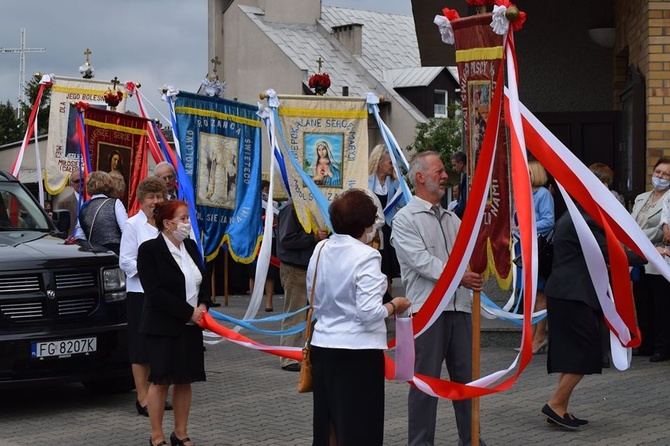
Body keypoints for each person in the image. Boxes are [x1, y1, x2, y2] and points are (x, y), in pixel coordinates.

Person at [391, 151, 485, 446]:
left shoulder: (452, 218)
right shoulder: (405, 218)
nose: (445, 176)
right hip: (427, 311)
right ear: (420, 177)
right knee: (425, 383)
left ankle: (471, 440)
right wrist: (460, 276)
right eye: (439, 171)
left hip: (459, 307)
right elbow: (421, 262)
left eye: (445, 171)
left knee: (467, 381)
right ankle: (420, 443)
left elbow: (467, 256)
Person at [308, 189, 411, 446]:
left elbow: (313, 296)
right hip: (357, 351)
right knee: (360, 426)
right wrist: (393, 305)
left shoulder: (321, 247)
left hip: (323, 344)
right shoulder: (367, 255)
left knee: (328, 421)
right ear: (366, 225)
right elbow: (369, 313)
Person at [542, 199, 648, 429]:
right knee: (585, 352)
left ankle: (560, 408)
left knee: (572, 354)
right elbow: (613, 254)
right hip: (575, 295)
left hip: (564, 292)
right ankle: (555, 404)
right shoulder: (584, 222)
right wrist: (649, 252)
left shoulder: (571, 215)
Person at [137, 200, 213, 446]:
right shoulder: (150, 250)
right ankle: (156, 435)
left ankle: (180, 433)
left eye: (187, 218)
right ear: (168, 224)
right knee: (161, 380)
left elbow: (203, 280)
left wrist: (202, 306)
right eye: (182, 219)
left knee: (184, 379)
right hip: (163, 326)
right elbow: (155, 292)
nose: (187, 223)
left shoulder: (190, 245)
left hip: (191, 327)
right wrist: (187, 312)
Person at [119, 177, 168, 417]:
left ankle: (156, 394)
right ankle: (142, 397)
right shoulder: (132, 225)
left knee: (158, 344)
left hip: (164, 294)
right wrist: (151, 269)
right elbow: (125, 260)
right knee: (140, 347)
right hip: (140, 294)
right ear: (142, 200)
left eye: (159, 196)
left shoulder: (168, 224)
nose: (156, 201)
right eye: (151, 197)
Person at [276, 201, 328, 371]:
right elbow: (286, 240)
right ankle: (288, 357)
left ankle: (311, 353)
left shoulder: (314, 207)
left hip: (311, 268)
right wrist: (312, 237)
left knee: (313, 315)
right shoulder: (292, 208)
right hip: (295, 269)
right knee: (295, 314)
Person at [630, 156, 670, 362]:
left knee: (661, 305)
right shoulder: (641, 197)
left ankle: (662, 348)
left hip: (660, 259)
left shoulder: (669, 199)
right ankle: (645, 344)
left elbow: (663, 231)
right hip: (639, 258)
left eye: (665, 174)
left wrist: (637, 237)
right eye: (658, 172)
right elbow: (629, 221)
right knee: (643, 302)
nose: (660, 177)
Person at [367, 144, 405, 303]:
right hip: (374, 233)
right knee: (375, 272)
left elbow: (404, 205)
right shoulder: (366, 181)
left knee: (387, 275)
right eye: (390, 162)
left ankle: (387, 309)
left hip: (390, 231)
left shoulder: (395, 184)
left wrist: (399, 182)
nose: (392, 166)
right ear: (379, 161)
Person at [524, 161, 554, 354]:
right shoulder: (525, 193)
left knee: (539, 295)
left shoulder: (542, 194)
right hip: (525, 248)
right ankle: (530, 337)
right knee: (530, 295)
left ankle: (540, 336)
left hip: (538, 249)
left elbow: (548, 221)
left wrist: (526, 227)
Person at [74, 171, 127, 255]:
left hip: (94, 255)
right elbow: (126, 230)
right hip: (115, 255)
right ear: (109, 185)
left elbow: (79, 236)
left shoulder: (84, 208)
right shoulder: (115, 203)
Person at [248, 180, 280, 311]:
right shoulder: (252, 202)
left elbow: (278, 220)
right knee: (253, 271)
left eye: (268, 188)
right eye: (264, 188)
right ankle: (253, 300)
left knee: (270, 272)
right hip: (256, 238)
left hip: (270, 237)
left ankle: (269, 302)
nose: (265, 191)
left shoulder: (274, 204)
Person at [54, 170, 85, 237]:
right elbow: (62, 228)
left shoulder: (92, 200)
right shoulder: (64, 203)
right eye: (77, 181)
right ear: (71, 184)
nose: (81, 183)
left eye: (83, 180)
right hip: (74, 242)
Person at [450, 151, 467, 219]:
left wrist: (455, 212)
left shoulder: (466, 179)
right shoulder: (464, 178)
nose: (453, 168)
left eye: (454, 165)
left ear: (461, 163)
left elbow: (465, 201)